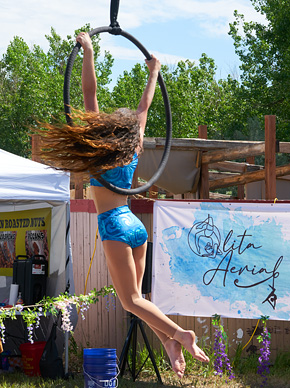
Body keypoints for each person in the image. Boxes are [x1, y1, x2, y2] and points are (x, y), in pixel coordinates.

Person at [38, 32, 209, 378]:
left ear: (108, 130)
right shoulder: (132, 148)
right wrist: (154, 71)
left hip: (114, 225)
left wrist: (88, 50)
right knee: (139, 302)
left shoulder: (100, 153)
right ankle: (169, 342)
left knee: (130, 301)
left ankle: (180, 334)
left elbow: (90, 93)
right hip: (134, 226)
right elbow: (144, 108)